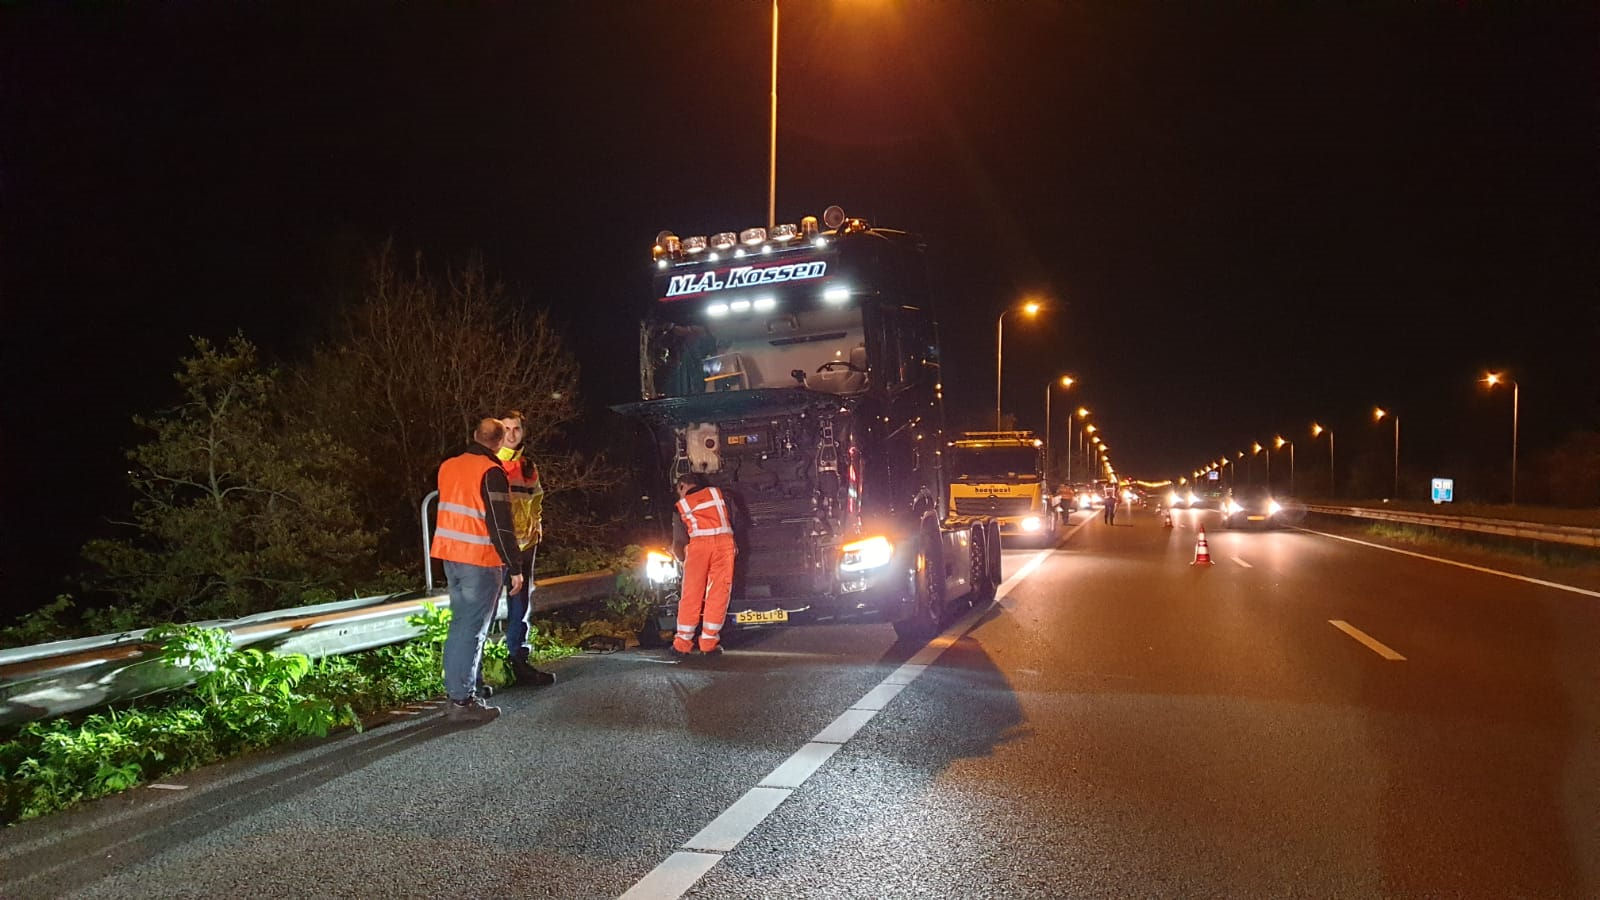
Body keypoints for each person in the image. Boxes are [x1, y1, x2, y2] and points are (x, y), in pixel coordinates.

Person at [431, 417, 522, 724]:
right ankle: (461, 700)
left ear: (474, 435)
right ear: (498, 442)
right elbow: (501, 524)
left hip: (450, 557)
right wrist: (515, 566)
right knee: (473, 630)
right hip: (479, 559)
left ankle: (461, 689)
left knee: (460, 626)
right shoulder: (491, 471)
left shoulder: (448, 466)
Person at [498, 412, 556, 688]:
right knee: (488, 608)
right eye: (506, 428)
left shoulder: (528, 467)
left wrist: (536, 529)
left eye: (516, 429)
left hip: (525, 545)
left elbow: (537, 501)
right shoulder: (491, 464)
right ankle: (481, 670)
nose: (511, 434)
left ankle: (518, 661)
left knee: (519, 607)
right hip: (497, 546)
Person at [670, 472, 737, 658]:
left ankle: (682, 644)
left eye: (679, 490)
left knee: (691, 594)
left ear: (683, 486)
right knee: (719, 593)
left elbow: (679, 541)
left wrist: (681, 558)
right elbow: (736, 519)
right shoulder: (720, 495)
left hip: (698, 547)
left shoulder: (681, 507)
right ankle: (709, 643)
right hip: (725, 545)